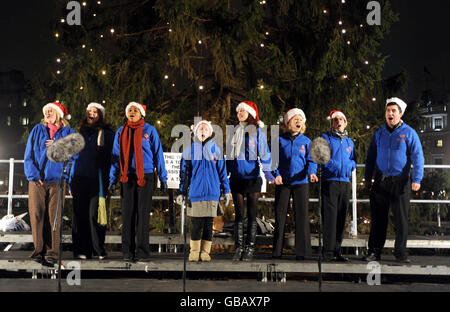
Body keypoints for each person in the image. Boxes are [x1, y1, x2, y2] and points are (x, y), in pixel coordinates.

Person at [364, 97, 424, 263]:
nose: (390, 113)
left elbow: (418, 157)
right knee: (378, 219)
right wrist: (367, 178)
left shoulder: (409, 133)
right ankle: (374, 252)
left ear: (400, 114)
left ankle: (401, 253)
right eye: (388, 111)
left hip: (401, 181)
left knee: (401, 219)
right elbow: (371, 157)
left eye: (393, 111)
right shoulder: (379, 133)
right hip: (381, 180)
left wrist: (417, 178)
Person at [109, 102, 168, 262]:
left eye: (135, 110)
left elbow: (158, 154)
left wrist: (163, 178)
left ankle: (142, 252)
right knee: (128, 214)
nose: (132, 112)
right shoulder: (121, 132)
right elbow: (115, 156)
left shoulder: (150, 130)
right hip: (127, 177)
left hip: (146, 176)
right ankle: (127, 251)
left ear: (142, 113)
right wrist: (112, 179)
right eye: (130, 110)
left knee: (143, 215)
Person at [24, 102, 74, 265]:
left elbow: (75, 155)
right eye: (46, 111)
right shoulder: (37, 130)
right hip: (37, 181)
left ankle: (52, 251)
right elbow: (28, 155)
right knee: (37, 215)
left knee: (55, 218)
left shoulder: (68, 132)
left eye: (51, 111)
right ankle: (39, 250)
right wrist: (33, 174)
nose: (48, 113)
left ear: (59, 114)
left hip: (57, 181)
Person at [177, 120, 232, 262]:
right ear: (195, 132)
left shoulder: (216, 149)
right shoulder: (189, 150)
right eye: (200, 129)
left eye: (205, 129)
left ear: (210, 132)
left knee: (208, 225)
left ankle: (205, 252)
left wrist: (226, 190)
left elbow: (222, 172)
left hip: (212, 193)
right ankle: (194, 251)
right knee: (196, 225)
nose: (203, 131)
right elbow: (184, 172)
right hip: (195, 193)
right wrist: (181, 192)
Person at [227, 101, 274, 262]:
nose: (240, 113)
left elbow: (265, 153)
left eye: (243, 111)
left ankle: (250, 248)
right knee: (239, 215)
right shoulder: (234, 131)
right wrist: (226, 172)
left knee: (252, 214)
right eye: (238, 111)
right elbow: (229, 154)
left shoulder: (257, 132)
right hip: (236, 178)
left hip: (252, 178)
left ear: (250, 114)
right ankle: (239, 247)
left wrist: (268, 173)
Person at [271, 108, 318, 260]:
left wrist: (312, 172)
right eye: (295, 119)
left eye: (300, 120)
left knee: (302, 216)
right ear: (288, 122)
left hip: (301, 182)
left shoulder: (306, 141)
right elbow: (273, 161)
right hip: (283, 182)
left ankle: (302, 252)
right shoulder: (278, 140)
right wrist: (276, 175)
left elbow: (311, 160)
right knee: (280, 216)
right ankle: (277, 251)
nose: (298, 122)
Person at [69, 103, 114, 260]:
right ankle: (82, 250)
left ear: (100, 115)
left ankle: (98, 249)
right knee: (79, 215)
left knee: (94, 215)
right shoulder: (80, 133)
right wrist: (70, 181)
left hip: (98, 179)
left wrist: (111, 179)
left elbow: (112, 156)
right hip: (80, 178)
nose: (91, 114)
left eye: (95, 112)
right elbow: (74, 159)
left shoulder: (107, 133)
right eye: (89, 111)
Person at [320, 110, 356, 262]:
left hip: (345, 182)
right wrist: (335, 166)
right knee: (330, 217)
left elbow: (353, 160)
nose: (338, 122)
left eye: (341, 119)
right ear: (331, 123)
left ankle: (337, 250)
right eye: (335, 120)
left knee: (341, 217)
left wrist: (348, 166)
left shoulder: (349, 142)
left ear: (345, 123)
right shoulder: (325, 138)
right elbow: (322, 157)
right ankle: (327, 252)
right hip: (330, 181)